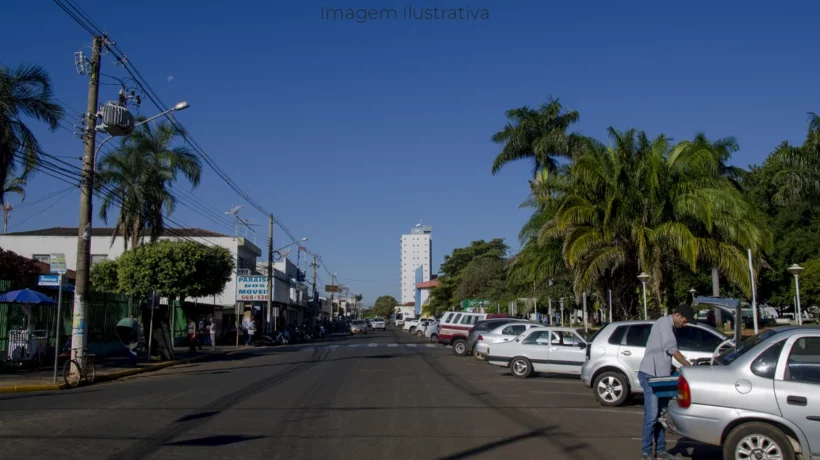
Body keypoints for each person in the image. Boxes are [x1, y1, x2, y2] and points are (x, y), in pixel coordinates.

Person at [638, 303, 695, 460]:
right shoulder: (664, 323)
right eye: (684, 321)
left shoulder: (669, 326)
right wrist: (687, 366)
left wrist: (672, 368)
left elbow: (664, 353)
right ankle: (646, 450)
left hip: (660, 376)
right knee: (651, 415)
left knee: (661, 415)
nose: (685, 325)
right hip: (650, 375)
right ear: (678, 315)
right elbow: (672, 350)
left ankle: (661, 450)